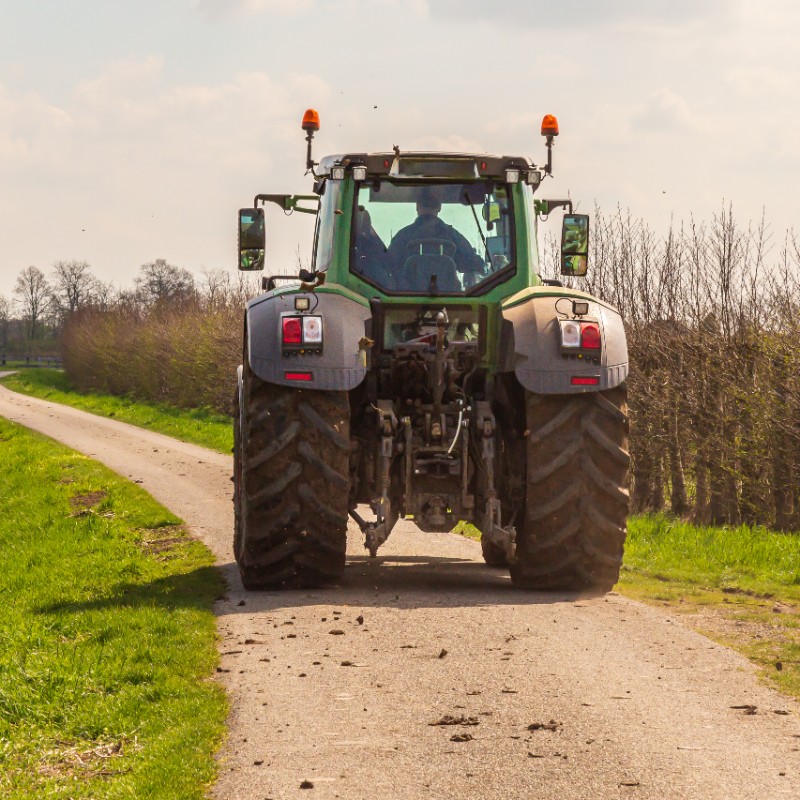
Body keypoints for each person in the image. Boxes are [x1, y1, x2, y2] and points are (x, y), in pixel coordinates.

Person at [386, 188, 485, 290]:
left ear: (417, 207)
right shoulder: (453, 236)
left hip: (405, 302)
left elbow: (387, 266)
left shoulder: (402, 237)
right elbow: (474, 264)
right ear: (439, 207)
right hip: (451, 302)